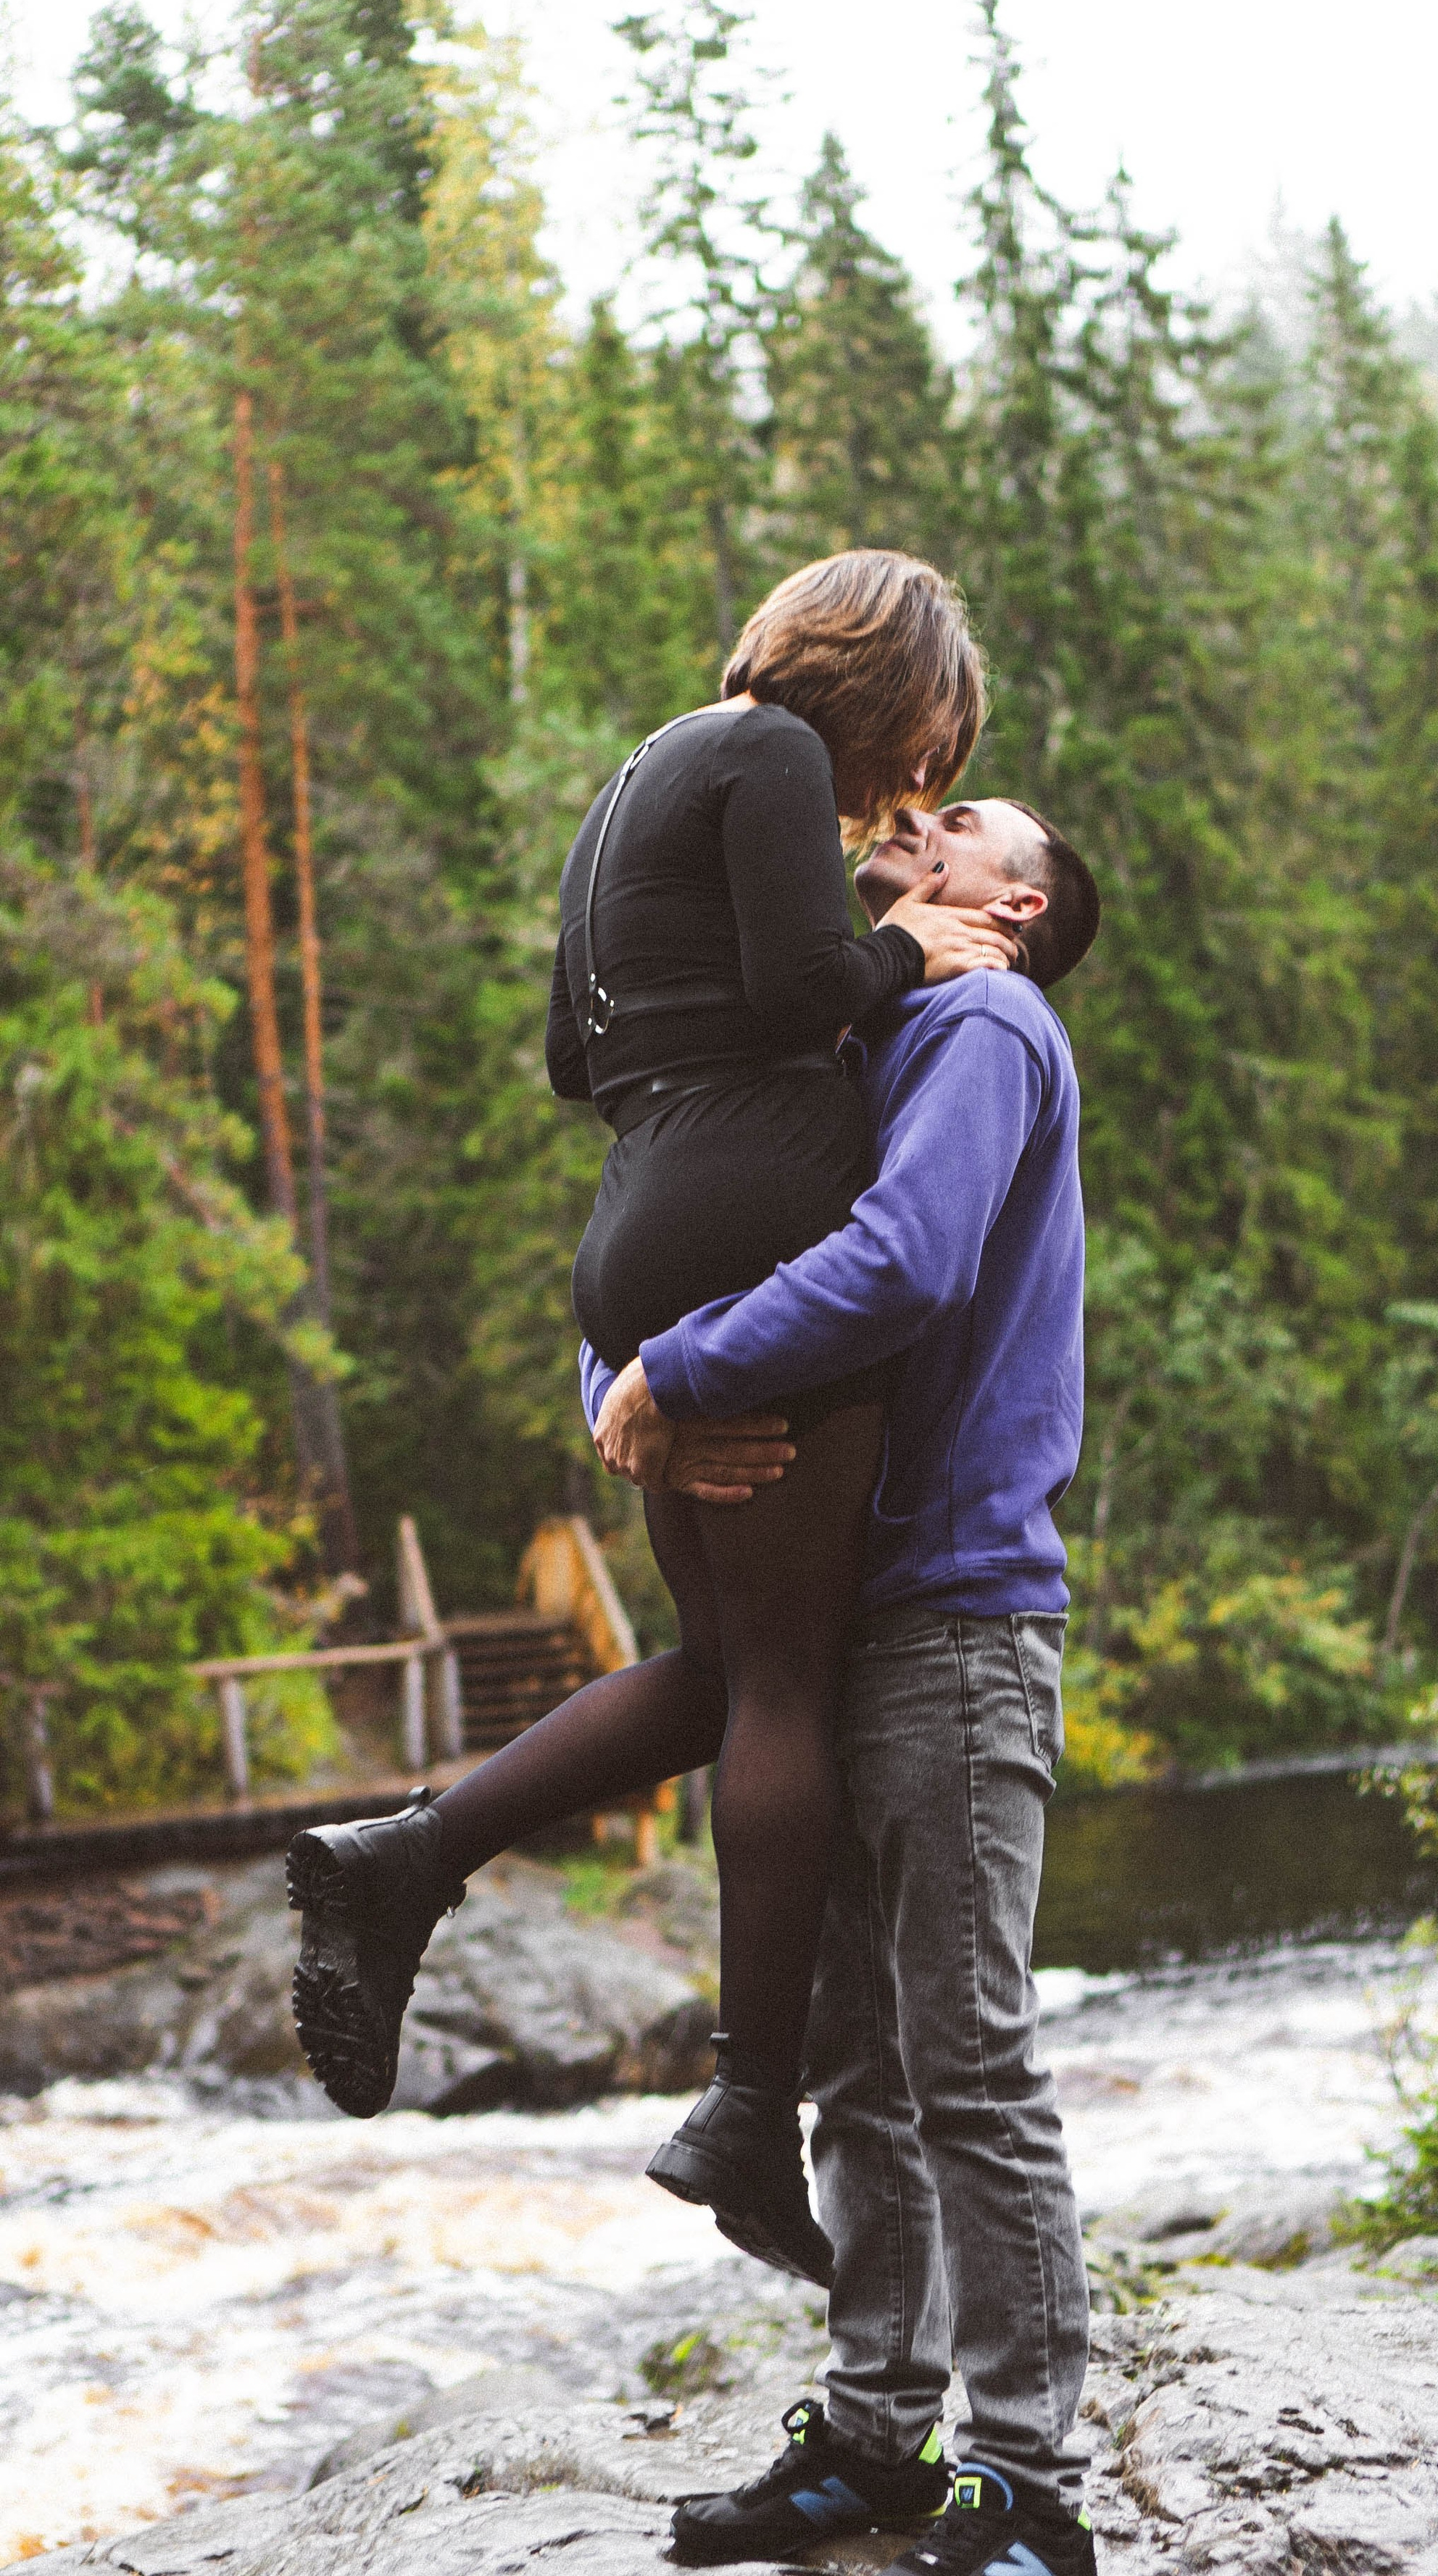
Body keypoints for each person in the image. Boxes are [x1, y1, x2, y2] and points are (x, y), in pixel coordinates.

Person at [285, 551, 1013, 2288]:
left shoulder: (634, 785)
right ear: (881, 677)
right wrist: (899, 950)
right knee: (779, 1686)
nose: (905, 794)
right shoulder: (765, 754)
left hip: (636, 1226)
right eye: (919, 751)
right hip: (751, 1208)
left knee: (721, 1668)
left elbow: (568, 1058)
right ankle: (750, 2103)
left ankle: (415, 1855)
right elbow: (789, 999)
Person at [589, 791, 1102, 2576]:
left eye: (956, 821)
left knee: (962, 2059)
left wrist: (675, 1369)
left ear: (1009, 901)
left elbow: (904, 1263)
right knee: (862, 2073)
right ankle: (877, 2441)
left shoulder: (978, 1020)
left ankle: (1028, 2486)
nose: (910, 820)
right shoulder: (860, 1026)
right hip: (843, 1622)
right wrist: (624, 1383)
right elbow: (689, 1208)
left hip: (956, 1611)